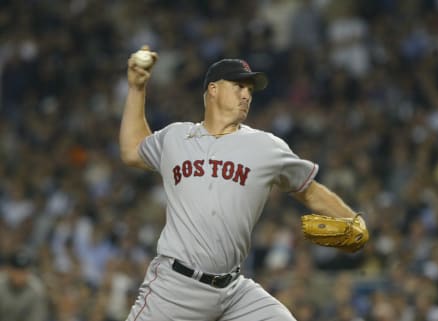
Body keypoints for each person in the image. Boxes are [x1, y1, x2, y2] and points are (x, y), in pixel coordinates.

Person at [120, 46, 366, 321]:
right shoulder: (175, 137)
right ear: (213, 90)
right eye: (238, 86)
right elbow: (132, 150)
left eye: (249, 89)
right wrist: (137, 89)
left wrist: (352, 221)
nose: (247, 94)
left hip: (233, 292)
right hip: (175, 288)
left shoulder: (266, 147)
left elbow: (309, 190)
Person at [0, 250, 48, 321]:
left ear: (29, 271)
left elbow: (36, 317)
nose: (19, 275)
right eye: (16, 270)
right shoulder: (1, 285)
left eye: (23, 271)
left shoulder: (36, 290)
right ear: (9, 270)